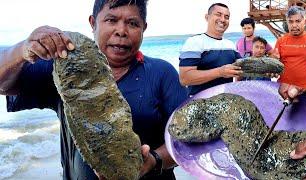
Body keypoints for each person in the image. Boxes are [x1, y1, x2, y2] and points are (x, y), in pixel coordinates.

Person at [0, 0, 188, 179]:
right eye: (111, 20)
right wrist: (21, 51)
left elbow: (186, 139)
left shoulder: (162, 73)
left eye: (132, 23)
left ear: (143, 28)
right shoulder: (65, 68)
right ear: (93, 22)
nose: (121, 31)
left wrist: (154, 160)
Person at [179, 3, 243, 96]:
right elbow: (184, 79)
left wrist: (266, 70)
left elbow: (242, 68)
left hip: (226, 102)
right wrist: (220, 72)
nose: (223, 19)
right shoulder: (194, 42)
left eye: (226, 17)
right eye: (218, 14)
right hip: (200, 103)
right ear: (207, 17)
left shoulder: (230, 45)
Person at [273, 6, 306, 101]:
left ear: (305, 22)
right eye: (290, 21)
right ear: (287, 22)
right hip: (283, 91)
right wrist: (273, 62)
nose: (294, 25)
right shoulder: (280, 41)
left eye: (298, 21)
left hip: (305, 92)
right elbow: (275, 67)